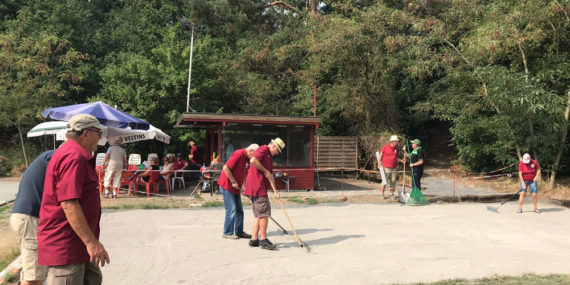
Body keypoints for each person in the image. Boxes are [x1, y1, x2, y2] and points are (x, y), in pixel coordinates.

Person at [38, 114, 110, 285]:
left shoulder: (74, 154)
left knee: (93, 278)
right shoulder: (73, 157)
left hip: (78, 243)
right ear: (86, 134)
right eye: (98, 133)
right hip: (66, 244)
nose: (100, 138)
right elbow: (69, 204)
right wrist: (92, 243)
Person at [10, 150, 55, 285]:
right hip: (30, 218)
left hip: (27, 216)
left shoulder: (49, 156)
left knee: (33, 271)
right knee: (34, 276)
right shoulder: (55, 157)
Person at [244, 138, 285, 250]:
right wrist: (265, 171)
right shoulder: (263, 149)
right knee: (264, 214)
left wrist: (276, 191)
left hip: (259, 187)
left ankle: (254, 239)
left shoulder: (269, 157)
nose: (277, 153)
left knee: (258, 215)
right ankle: (263, 239)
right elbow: (253, 160)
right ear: (274, 147)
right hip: (257, 187)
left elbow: (270, 176)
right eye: (277, 151)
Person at [218, 144, 259, 239]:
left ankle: (239, 231)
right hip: (227, 185)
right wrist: (233, 181)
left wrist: (244, 187)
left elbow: (244, 174)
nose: (254, 157)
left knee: (239, 210)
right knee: (231, 209)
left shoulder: (248, 159)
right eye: (254, 155)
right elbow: (226, 168)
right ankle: (227, 233)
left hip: (236, 187)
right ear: (250, 151)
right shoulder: (238, 154)